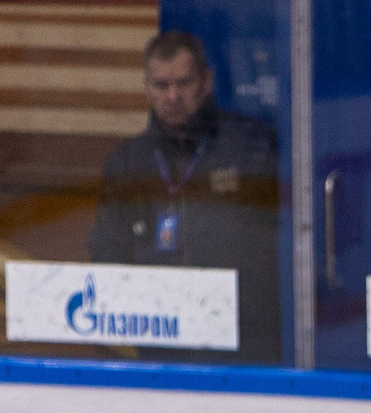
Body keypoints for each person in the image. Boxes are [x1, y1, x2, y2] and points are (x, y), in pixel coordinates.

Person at [88, 30, 282, 362]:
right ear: (147, 87)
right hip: (160, 346)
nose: (173, 96)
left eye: (184, 83)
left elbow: (278, 246)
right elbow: (108, 253)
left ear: (206, 82)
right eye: (161, 85)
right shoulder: (127, 161)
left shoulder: (252, 146)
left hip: (245, 344)